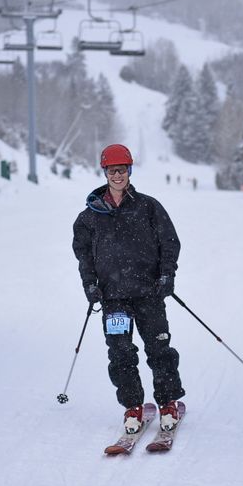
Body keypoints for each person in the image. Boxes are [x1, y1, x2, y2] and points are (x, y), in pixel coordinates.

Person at [72, 143, 185, 435]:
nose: (117, 175)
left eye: (122, 170)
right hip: (113, 299)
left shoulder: (148, 206)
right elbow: (83, 256)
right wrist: (90, 285)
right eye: (112, 170)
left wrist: (166, 276)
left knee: (159, 349)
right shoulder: (90, 216)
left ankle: (167, 403)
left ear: (129, 171)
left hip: (149, 293)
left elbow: (169, 243)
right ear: (105, 172)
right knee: (121, 353)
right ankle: (133, 407)